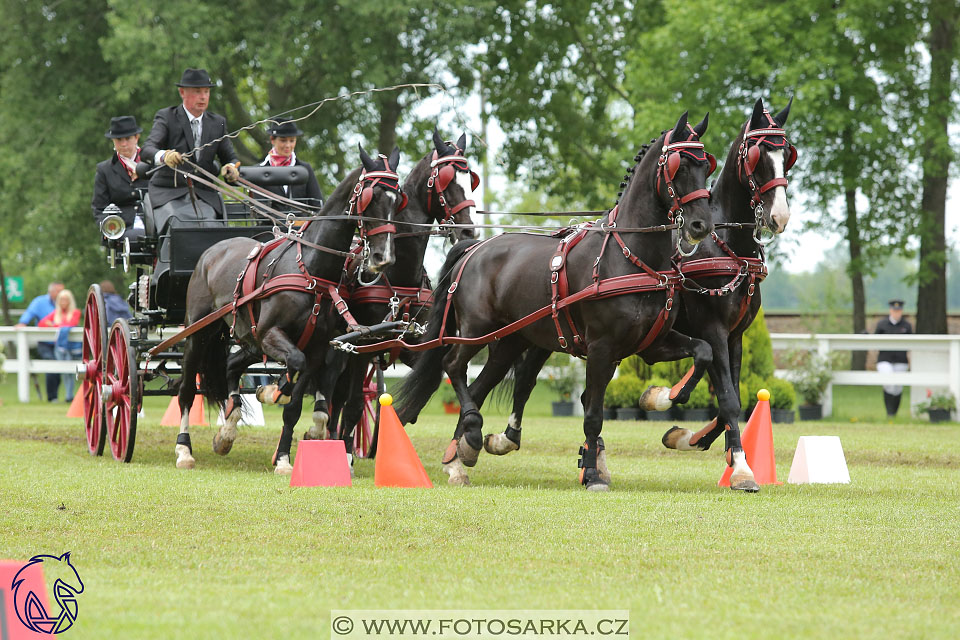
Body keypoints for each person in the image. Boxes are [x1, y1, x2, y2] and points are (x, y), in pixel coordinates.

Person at [141, 67, 241, 234]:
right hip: (169, 194)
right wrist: (164, 156)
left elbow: (230, 157)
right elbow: (147, 150)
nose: (203, 97)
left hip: (203, 195)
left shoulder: (217, 123)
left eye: (206, 92)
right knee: (178, 225)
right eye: (197, 91)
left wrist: (231, 168)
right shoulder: (167, 117)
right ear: (182, 92)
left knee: (212, 228)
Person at [92, 116, 149, 238]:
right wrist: (107, 227)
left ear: (136, 138)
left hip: (153, 223)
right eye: (118, 140)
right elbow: (99, 207)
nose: (123, 144)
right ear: (113, 141)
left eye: (128, 139)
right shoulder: (104, 170)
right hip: (121, 229)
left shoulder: (152, 164)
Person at [255, 117, 324, 209]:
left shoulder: (305, 169)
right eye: (283, 140)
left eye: (292, 140)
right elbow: (259, 210)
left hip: (302, 223)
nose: (288, 145)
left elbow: (317, 205)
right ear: (272, 139)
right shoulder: (258, 171)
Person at [16, 282, 64, 402]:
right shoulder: (39, 302)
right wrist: (23, 322)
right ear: (52, 291)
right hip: (44, 342)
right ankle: (52, 397)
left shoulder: (65, 302)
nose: (61, 294)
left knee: (59, 368)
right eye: (59, 291)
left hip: (60, 342)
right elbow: (29, 312)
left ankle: (55, 396)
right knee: (51, 364)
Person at [38, 289, 81, 403]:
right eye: (61, 299)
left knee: (69, 372)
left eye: (66, 299)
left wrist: (54, 325)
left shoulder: (75, 312)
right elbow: (42, 323)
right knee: (62, 371)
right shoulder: (56, 313)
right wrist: (58, 325)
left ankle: (69, 395)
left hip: (70, 346)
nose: (63, 302)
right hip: (59, 346)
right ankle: (65, 395)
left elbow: (71, 324)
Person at [875, 299, 913, 417]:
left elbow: (912, 343)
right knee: (888, 382)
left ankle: (893, 413)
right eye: (894, 310)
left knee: (897, 387)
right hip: (885, 359)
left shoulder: (906, 326)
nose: (897, 312)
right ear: (890, 310)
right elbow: (875, 341)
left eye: (899, 310)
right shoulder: (882, 324)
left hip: (900, 360)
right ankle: (889, 411)